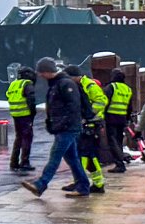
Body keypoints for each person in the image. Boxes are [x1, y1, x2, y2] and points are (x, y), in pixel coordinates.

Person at [22, 59, 95, 198]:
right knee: (73, 159)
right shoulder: (57, 84)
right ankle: (83, 187)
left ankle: (41, 184)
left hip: (68, 128)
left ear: (48, 71)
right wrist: (51, 123)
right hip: (63, 127)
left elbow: (73, 107)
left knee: (55, 156)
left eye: (42, 72)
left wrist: (62, 124)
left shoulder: (65, 84)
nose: (41, 75)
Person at [71, 66, 108, 194]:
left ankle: (82, 182)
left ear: (76, 76)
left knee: (84, 155)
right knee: (89, 156)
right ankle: (95, 183)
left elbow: (102, 101)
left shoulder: (89, 85)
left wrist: (90, 114)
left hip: (92, 125)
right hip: (86, 125)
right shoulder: (80, 86)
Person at [4, 65, 37, 172]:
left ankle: (13, 162)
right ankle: (25, 162)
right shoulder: (27, 84)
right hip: (25, 114)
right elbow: (31, 100)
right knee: (27, 138)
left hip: (15, 114)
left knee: (18, 138)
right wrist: (33, 113)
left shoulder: (13, 84)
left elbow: (8, 95)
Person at [103, 72, 133, 172]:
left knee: (112, 142)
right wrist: (127, 119)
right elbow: (130, 107)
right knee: (119, 141)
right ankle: (120, 162)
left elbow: (104, 101)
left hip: (111, 118)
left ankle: (119, 164)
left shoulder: (111, 87)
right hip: (122, 119)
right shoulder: (128, 89)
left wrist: (102, 115)